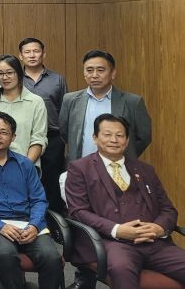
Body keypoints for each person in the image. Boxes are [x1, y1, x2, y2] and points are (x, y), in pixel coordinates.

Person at [65, 114, 185, 289]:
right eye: (107, 135)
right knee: (122, 269)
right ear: (95, 138)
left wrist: (159, 228)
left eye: (120, 135)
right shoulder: (79, 168)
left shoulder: (145, 170)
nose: (114, 140)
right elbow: (78, 211)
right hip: (112, 242)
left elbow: (168, 209)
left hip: (154, 242)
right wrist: (117, 230)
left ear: (127, 141)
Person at [0, 112, 62, 289]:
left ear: (13, 137)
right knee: (6, 255)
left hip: (28, 223)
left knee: (51, 257)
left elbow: (39, 200)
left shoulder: (25, 164)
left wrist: (35, 225)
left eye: (3, 132)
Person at [59, 50, 151, 161]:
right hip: (80, 167)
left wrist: (125, 156)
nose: (94, 75)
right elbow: (65, 133)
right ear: (84, 74)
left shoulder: (132, 102)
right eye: (89, 70)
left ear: (113, 73)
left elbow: (144, 137)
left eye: (100, 70)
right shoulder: (70, 100)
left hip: (118, 168)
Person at [18, 38, 69, 212]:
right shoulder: (15, 79)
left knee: (52, 182)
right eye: (27, 52)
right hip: (23, 137)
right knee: (26, 180)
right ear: (21, 56)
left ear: (43, 54)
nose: (32, 55)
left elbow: (65, 109)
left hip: (52, 137)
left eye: (36, 51)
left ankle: (55, 222)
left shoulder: (57, 79)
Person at [0, 54, 48, 164]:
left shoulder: (36, 102)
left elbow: (38, 139)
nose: (4, 77)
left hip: (25, 165)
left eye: (9, 73)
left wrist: (25, 166)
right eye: (0, 73)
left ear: (19, 73)